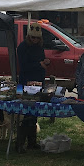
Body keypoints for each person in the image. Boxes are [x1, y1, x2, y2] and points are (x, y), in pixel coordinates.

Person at [15, 23, 50, 152]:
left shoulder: (39, 47)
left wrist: (45, 62)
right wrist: (39, 64)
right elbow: (24, 66)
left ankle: (32, 142)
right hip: (26, 82)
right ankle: (20, 144)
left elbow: (40, 61)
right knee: (26, 114)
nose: (35, 40)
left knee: (34, 113)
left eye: (37, 38)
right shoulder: (22, 47)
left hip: (38, 83)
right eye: (33, 38)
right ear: (28, 37)